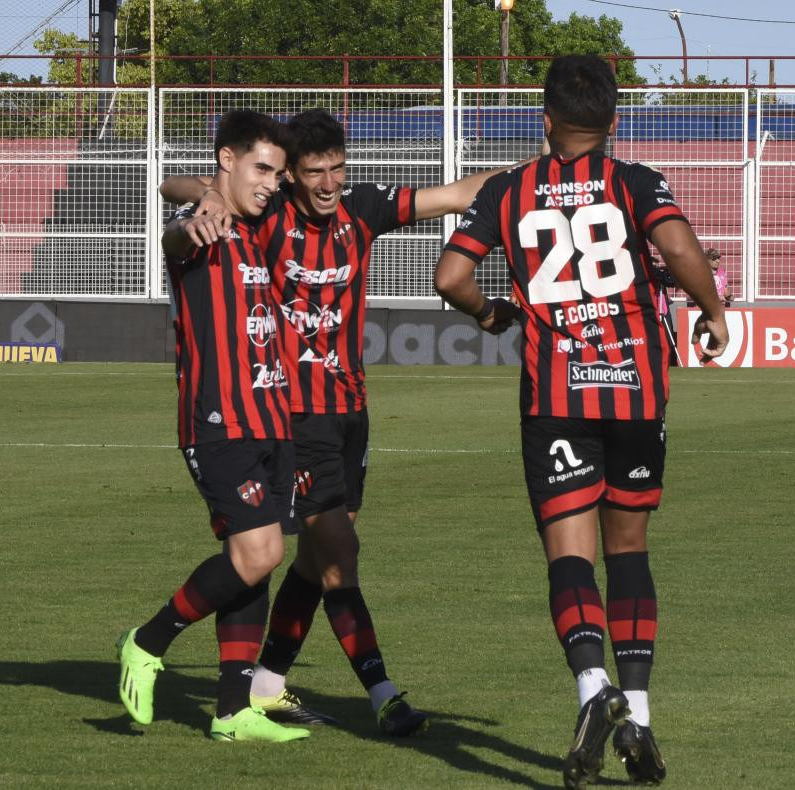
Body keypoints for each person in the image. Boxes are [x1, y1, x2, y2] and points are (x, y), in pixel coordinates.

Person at [161, 108, 529, 737]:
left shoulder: (362, 209)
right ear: (292, 177)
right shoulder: (268, 212)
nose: (328, 184)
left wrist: (542, 175)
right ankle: (383, 693)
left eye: (337, 169)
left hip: (351, 410)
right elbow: (177, 186)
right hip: (289, 413)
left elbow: (463, 193)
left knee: (316, 558)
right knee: (338, 554)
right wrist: (202, 198)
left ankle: (268, 682)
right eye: (314, 173)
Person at [434, 55, 729, 788]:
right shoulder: (634, 181)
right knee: (628, 550)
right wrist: (714, 313)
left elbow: (450, 276)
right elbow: (679, 247)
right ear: (613, 122)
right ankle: (640, 712)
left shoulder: (509, 191)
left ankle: (593, 691)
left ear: (545, 120)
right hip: (634, 390)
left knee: (569, 555)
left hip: (555, 397)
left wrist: (489, 313)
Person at [116, 110, 308, 743]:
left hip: (273, 419)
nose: (271, 183)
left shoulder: (262, 226)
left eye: (278, 174)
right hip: (219, 421)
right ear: (227, 159)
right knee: (262, 552)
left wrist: (209, 191)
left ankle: (231, 711)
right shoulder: (199, 229)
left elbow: (190, 180)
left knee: (252, 562)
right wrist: (198, 203)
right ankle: (147, 642)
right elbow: (173, 198)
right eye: (261, 169)